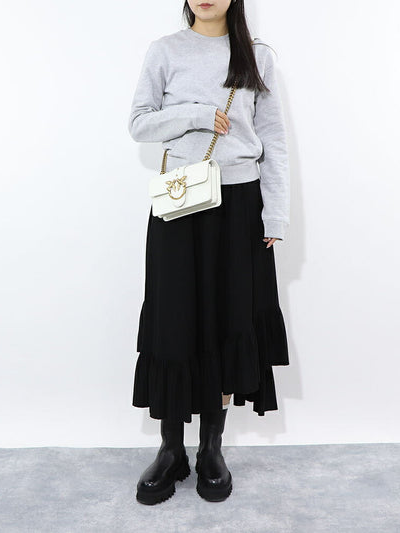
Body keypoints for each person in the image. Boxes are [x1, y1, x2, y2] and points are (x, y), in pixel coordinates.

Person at [128, 0, 290, 505]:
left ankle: (211, 448)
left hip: (239, 204)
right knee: (173, 321)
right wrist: (198, 115)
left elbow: (273, 140)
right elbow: (138, 124)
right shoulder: (165, 51)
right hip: (179, 200)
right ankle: (171, 448)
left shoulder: (256, 56)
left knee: (226, 320)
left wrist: (275, 214)